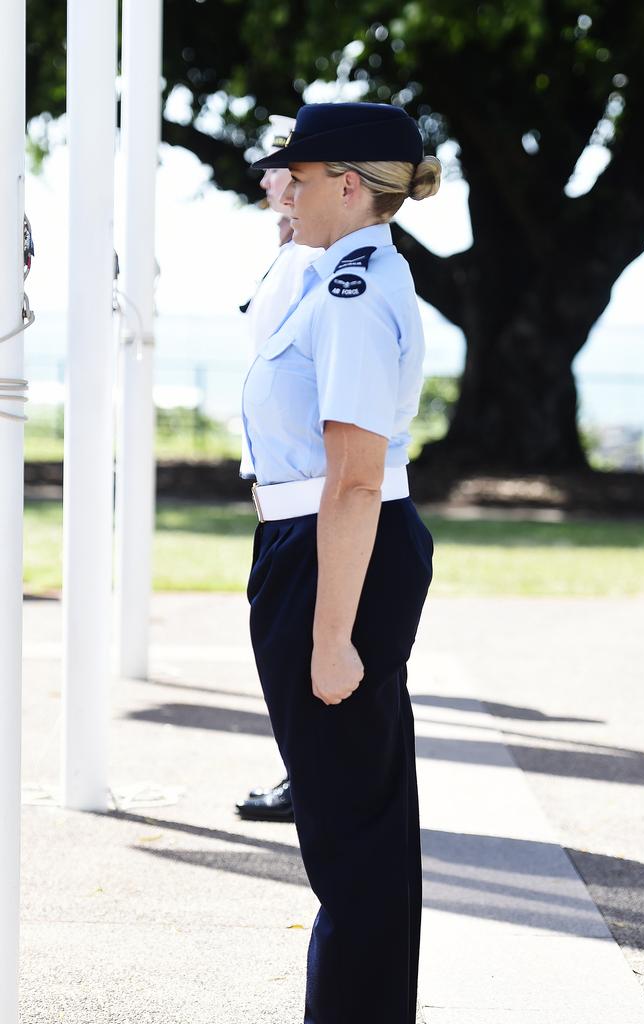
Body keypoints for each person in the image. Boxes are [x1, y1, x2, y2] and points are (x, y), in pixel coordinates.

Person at [243, 101, 440, 1024]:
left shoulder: (356, 290)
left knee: (348, 840)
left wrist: (330, 638)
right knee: (365, 828)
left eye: (302, 175)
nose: (286, 188)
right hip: (321, 547)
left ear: (348, 185)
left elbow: (356, 480)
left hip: (333, 556)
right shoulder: (338, 275)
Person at [236, 115, 322, 824]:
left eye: (277, 167)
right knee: (288, 653)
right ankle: (308, 775)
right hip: (281, 488)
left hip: (308, 495)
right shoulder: (292, 252)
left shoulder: (317, 263)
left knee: (303, 657)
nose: (264, 178)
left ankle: (311, 779)